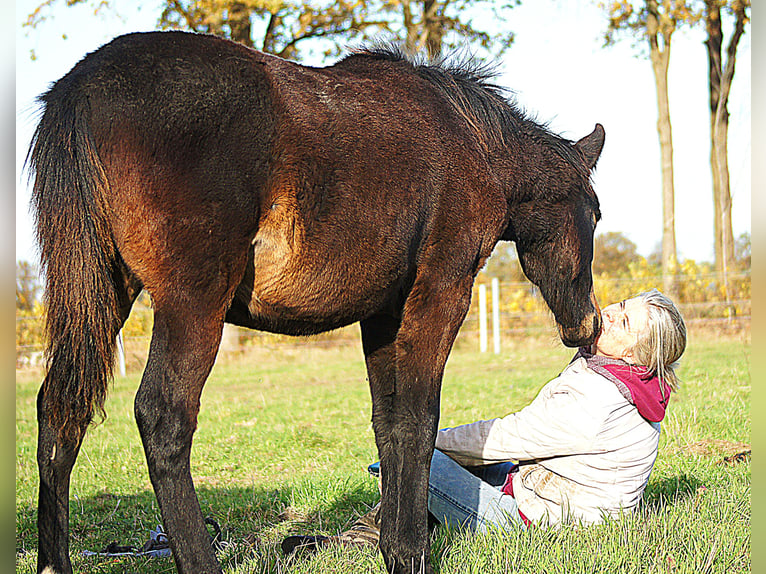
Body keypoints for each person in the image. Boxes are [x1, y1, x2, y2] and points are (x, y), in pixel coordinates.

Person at [282, 288, 686, 554]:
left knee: (414, 460)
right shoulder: (633, 383)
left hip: (538, 529)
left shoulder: (600, 400)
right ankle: (365, 537)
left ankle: (359, 540)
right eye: (619, 307)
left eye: (625, 323)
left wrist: (424, 442)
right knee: (437, 463)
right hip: (543, 498)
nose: (610, 314)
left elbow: (509, 436)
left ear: (638, 356)